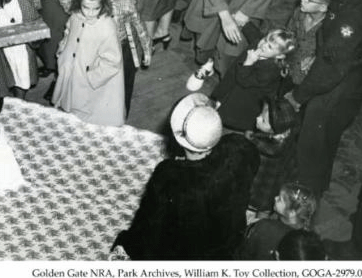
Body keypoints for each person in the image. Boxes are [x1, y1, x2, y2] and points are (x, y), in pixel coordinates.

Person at [112, 93, 260, 259]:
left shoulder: (168, 175)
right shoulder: (240, 148)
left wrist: (129, 244)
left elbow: (150, 224)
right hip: (222, 249)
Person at [284, 0, 362, 197]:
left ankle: (302, 204)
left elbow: (330, 69)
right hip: (353, 70)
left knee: (313, 148)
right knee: (323, 143)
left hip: (336, 88)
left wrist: (297, 96)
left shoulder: (351, 21)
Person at [52, 0, 123, 127]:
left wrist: (92, 77)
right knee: (70, 103)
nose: (90, 13)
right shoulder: (75, 16)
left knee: (87, 115)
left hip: (93, 81)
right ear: (79, 1)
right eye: (85, 7)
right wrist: (62, 52)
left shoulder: (107, 27)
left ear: (103, 4)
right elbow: (68, 32)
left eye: (95, 8)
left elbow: (113, 61)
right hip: (72, 70)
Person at [210, 25, 296, 131]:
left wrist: (248, 62)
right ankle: (219, 105)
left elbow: (243, 81)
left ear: (279, 56)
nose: (263, 45)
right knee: (223, 98)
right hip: (236, 84)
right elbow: (256, 36)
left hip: (246, 94)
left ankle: (217, 124)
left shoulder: (269, 71)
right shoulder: (261, 45)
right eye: (265, 39)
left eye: (270, 46)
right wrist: (246, 25)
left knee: (227, 112)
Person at [102, 0, 151, 115]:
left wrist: (147, 50)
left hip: (122, 47)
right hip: (101, 49)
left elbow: (139, 27)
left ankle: (122, 113)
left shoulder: (126, 2)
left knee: (124, 83)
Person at [244, 98, 302, 216]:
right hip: (276, 188)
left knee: (250, 210)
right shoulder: (287, 136)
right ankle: (260, 222)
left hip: (257, 190)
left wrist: (250, 140)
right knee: (264, 210)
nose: (257, 118)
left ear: (274, 129)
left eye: (263, 120)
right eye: (261, 113)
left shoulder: (262, 150)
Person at [239, 182, 317, 260]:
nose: (275, 198)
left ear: (291, 213)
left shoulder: (265, 227)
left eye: (280, 199)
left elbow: (245, 254)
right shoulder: (308, 240)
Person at [286, 0, 330, 85]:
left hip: (306, 79)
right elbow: (289, 33)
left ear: (323, 7)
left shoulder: (328, 27)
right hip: (288, 67)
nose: (302, 0)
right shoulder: (298, 12)